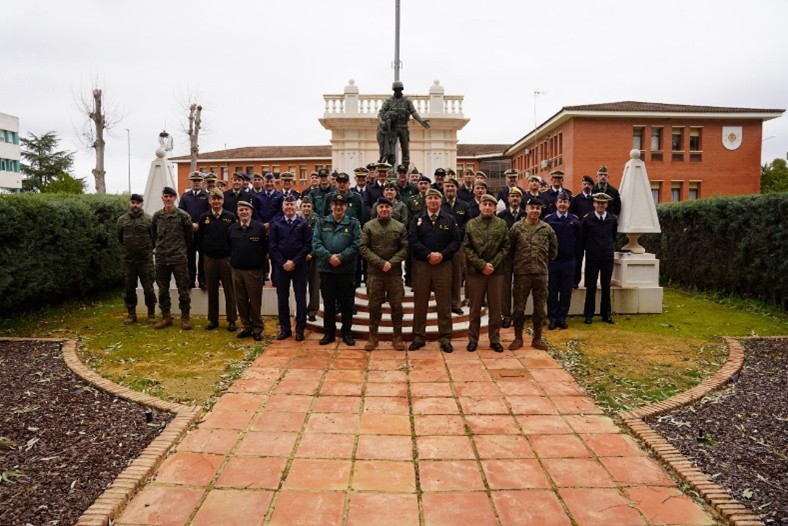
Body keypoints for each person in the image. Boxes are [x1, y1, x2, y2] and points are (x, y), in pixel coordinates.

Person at [408, 188, 461, 353]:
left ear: (440, 201)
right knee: (420, 302)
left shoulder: (449, 219)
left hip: (443, 265)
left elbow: (455, 241)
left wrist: (442, 255)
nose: (433, 201)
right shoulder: (417, 219)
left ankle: (445, 337)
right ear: (426, 201)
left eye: (436, 199)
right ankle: (418, 336)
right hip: (422, 265)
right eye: (430, 198)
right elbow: (412, 240)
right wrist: (428, 254)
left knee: (444, 303)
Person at [508, 195, 557, 350]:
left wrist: (541, 262)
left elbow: (553, 251)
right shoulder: (517, 228)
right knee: (518, 308)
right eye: (532, 208)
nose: (535, 211)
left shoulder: (547, 228)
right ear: (526, 209)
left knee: (540, 308)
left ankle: (537, 338)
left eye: (538, 208)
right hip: (522, 273)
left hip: (540, 274)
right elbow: (509, 250)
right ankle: (517, 338)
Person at [359, 197, 408, 351]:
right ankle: (373, 337)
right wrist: (380, 263)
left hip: (394, 274)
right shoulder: (368, 226)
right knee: (374, 306)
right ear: (377, 209)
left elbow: (405, 248)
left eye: (387, 207)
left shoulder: (399, 227)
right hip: (375, 273)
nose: (384, 209)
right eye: (381, 207)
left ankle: (397, 337)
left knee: (397, 306)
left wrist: (391, 263)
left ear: (392, 209)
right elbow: (363, 247)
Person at [463, 194, 510, 353]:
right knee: (475, 308)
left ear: (495, 207)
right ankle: (473, 339)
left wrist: (492, 265)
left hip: (496, 273)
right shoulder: (471, 224)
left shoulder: (502, 224)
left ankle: (495, 339)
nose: (488, 207)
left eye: (491, 204)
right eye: (485, 204)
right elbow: (467, 248)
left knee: (496, 309)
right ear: (480, 206)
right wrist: (482, 265)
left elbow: (505, 247)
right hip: (476, 272)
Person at [312, 194, 361, 346]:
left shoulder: (353, 223)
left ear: (346, 207)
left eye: (342, 204)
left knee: (347, 304)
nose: (338, 207)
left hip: (346, 269)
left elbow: (356, 243)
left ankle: (347, 333)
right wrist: (329, 257)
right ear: (331, 206)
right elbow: (316, 243)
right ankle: (329, 333)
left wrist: (341, 258)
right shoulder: (321, 222)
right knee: (328, 303)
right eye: (335, 204)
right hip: (327, 270)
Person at [269, 196, 313, 341]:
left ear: (296, 207)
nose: (289, 207)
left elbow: (308, 245)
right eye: (287, 205)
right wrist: (283, 262)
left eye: (292, 205)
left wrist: (294, 262)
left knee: (300, 298)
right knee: (282, 299)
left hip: (299, 266)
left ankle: (300, 330)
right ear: (283, 207)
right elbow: (272, 246)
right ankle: (285, 329)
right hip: (281, 268)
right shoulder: (276, 224)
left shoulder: (304, 224)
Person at [151, 186, 194, 330]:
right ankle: (166, 317)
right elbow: (154, 235)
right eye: (166, 196)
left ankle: (185, 318)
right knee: (163, 289)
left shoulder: (183, 216)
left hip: (178, 257)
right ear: (162, 198)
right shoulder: (157, 216)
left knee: (183, 288)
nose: (168, 199)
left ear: (175, 198)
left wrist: (180, 250)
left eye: (171, 196)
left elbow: (189, 237)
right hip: (162, 258)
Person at [196, 188, 238, 332]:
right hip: (210, 259)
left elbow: (234, 238)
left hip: (226, 259)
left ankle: (232, 320)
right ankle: (213, 320)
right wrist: (206, 252)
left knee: (229, 291)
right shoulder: (204, 218)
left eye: (218, 199)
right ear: (209, 201)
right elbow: (200, 238)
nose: (216, 202)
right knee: (212, 291)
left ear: (223, 201)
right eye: (213, 199)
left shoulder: (230, 216)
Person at [227, 200, 267, 341]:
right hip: (237, 271)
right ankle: (246, 326)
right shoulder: (232, 229)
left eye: (246, 210)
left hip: (254, 271)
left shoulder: (259, 228)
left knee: (255, 301)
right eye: (241, 210)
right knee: (241, 300)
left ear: (251, 212)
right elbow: (229, 248)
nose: (244, 212)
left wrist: (262, 268)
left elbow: (265, 249)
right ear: (237, 213)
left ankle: (257, 328)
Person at [116, 193, 156, 325]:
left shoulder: (149, 220)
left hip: (145, 260)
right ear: (129, 203)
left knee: (148, 288)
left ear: (142, 204)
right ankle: (131, 314)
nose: (135, 205)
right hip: (129, 261)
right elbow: (120, 238)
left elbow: (154, 238)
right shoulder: (122, 220)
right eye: (133, 202)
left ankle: (151, 313)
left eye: (138, 203)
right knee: (129, 288)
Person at [544, 191, 581, 330]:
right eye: (560, 202)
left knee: (566, 292)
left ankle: (562, 318)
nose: (562, 204)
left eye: (565, 202)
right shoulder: (548, 220)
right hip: (553, 261)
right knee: (552, 291)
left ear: (569, 204)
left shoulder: (575, 220)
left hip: (569, 261)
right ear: (556, 203)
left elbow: (579, 242)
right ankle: (552, 318)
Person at [580, 192, 618, 324]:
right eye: (598, 203)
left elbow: (613, 237)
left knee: (606, 286)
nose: (600, 205)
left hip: (607, 257)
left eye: (603, 203)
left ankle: (606, 314)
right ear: (594, 204)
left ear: (606, 204)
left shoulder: (612, 219)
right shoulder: (587, 219)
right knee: (591, 286)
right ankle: (588, 314)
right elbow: (582, 238)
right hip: (592, 257)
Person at [377, 80, 430, 168]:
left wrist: (421, 121)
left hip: (403, 127)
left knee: (405, 148)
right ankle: (390, 169)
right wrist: (382, 122)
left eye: (399, 89)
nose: (398, 91)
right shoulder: (389, 101)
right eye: (396, 90)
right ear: (393, 90)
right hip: (393, 128)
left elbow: (413, 112)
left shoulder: (407, 101)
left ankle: (404, 168)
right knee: (391, 150)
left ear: (402, 89)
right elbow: (381, 113)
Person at [497, 186, 526, 328]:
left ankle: (518, 314)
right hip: (506, 257)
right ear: (508, 199)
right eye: (512, 196)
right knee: (505, 287)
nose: (514, 199)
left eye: (517, 196)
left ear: (521, 199)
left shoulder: (526, 215)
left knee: (520, 288)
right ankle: (506, 315)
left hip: (521, 257)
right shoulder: (501, 216)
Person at [441, 177, 470, 315]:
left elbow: (467, 224)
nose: (450, 189)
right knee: (443, 276)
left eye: (452, 186)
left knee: (457, 276)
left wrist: (457, 232)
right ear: (443, 189)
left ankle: (455, 303)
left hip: (458, 246)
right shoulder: (439, 204)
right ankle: (444, 303)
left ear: (456, 188)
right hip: (442, 245)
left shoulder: (464, 205)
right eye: (447, 187)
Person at [179, 172, 210, 289]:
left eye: (198, 180)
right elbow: (181, 212)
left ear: (203, 182)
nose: (196, 182)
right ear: (190, 182)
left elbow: (208, 213)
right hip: (189, 232)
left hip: (203, 231)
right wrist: (190, 224)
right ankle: (190, 280)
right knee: (189, 257)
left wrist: (198, 224)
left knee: (203, 257)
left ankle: (203, 280)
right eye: (194, 180)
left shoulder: (207, 197)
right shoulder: (185, 196)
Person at [300, 197, 320, 322]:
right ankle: (302, 310)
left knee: (314, 285)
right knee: (300, 286)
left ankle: (312, 311)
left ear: (312, 208)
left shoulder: (317, 221)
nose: (306, 209)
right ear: (300, 208)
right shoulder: (296, 220)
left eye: (308, 206)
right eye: (304, 206)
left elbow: (318, 239)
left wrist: (311, 254)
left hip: (314, 256)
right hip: (300, 258)